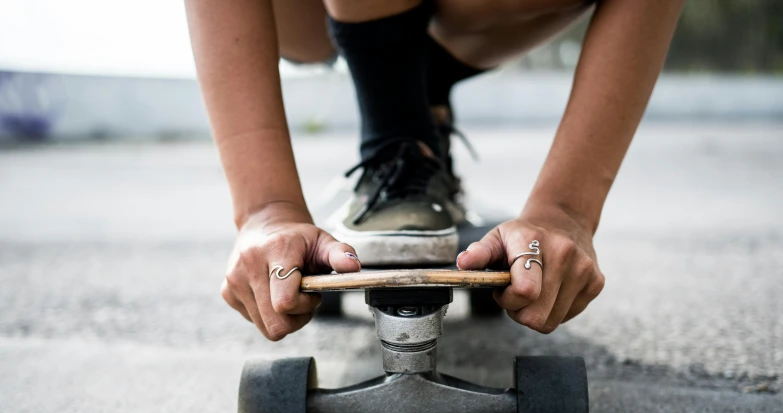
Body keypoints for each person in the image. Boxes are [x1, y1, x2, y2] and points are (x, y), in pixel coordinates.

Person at [184, 0, 683, 341]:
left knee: (410, 107)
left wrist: (565, 210)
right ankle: (403, 130)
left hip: (482, 22)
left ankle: (414, 128)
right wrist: (265, 208)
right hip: (308, 17)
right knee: (398, 114)